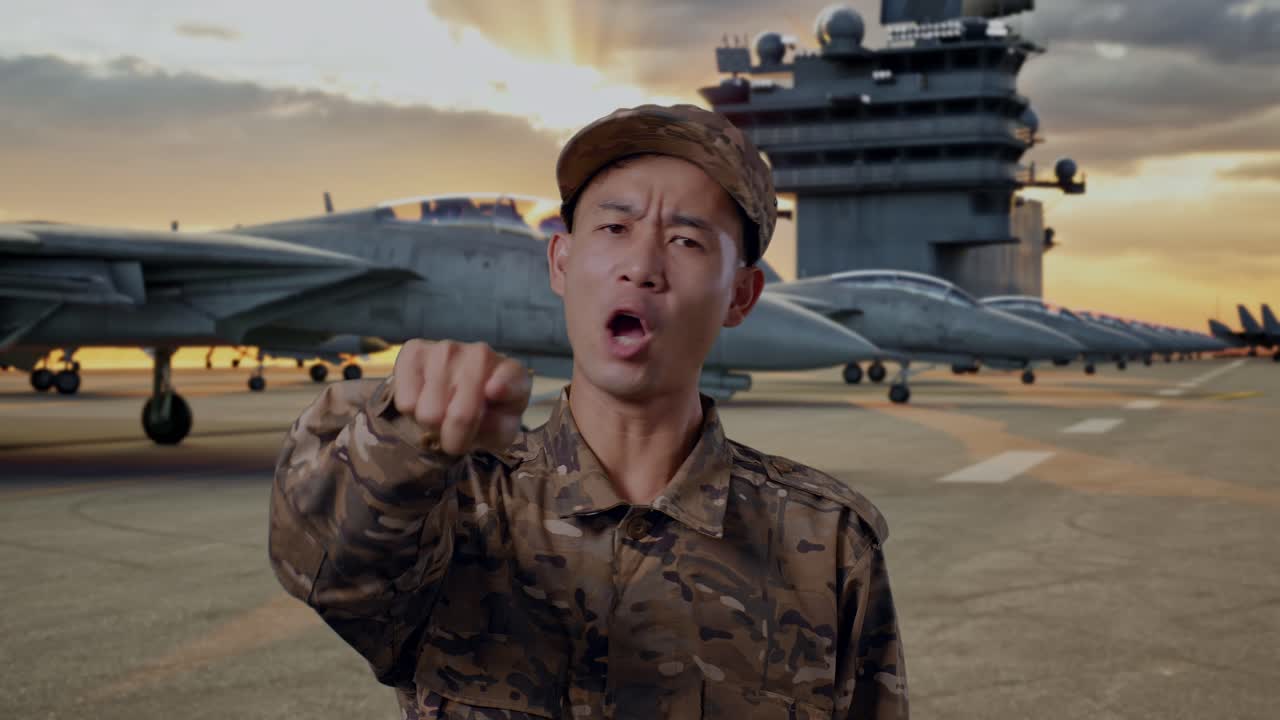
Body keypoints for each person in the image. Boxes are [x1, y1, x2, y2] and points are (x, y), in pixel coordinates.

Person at [268, 104, 908, 719]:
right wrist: (400, 436)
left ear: (741, 295)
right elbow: (328, 565)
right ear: (562, 263)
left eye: (686, 240)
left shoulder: (826, 546)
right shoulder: (455, 505)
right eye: (614, 227)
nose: (642, 266)